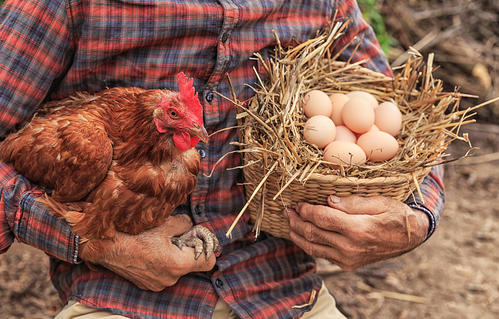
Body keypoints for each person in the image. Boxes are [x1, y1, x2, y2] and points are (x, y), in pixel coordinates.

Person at [0, 0, 444, 318]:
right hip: (123, 297)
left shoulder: (324, 6)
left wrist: (414, 217)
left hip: (281, 293)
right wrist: (92, 242)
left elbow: (401, 121)